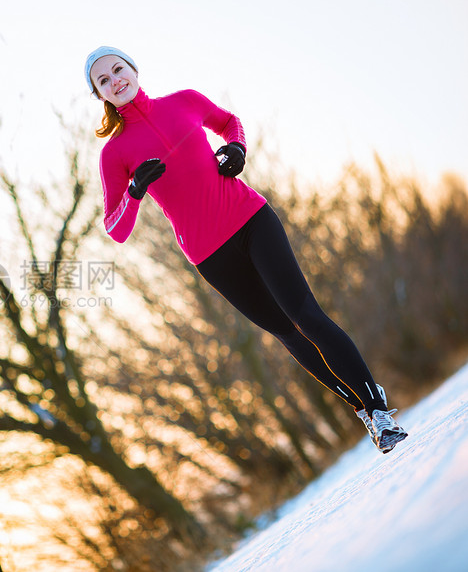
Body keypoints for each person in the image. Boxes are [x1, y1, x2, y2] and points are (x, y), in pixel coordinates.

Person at [84, 46, 408, 454]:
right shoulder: (114, 153)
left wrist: (236, 149)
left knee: (305, 314)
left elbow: (229, 123)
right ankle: (361, 407)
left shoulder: (183, 101)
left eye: (118, 69)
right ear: (101, 96)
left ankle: (379, 410)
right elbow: (115, 227)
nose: (115, 80)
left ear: (133, 68)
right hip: (211, 256)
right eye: (104, 81)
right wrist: (134, 191)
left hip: (252, 219)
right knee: (287, 332)